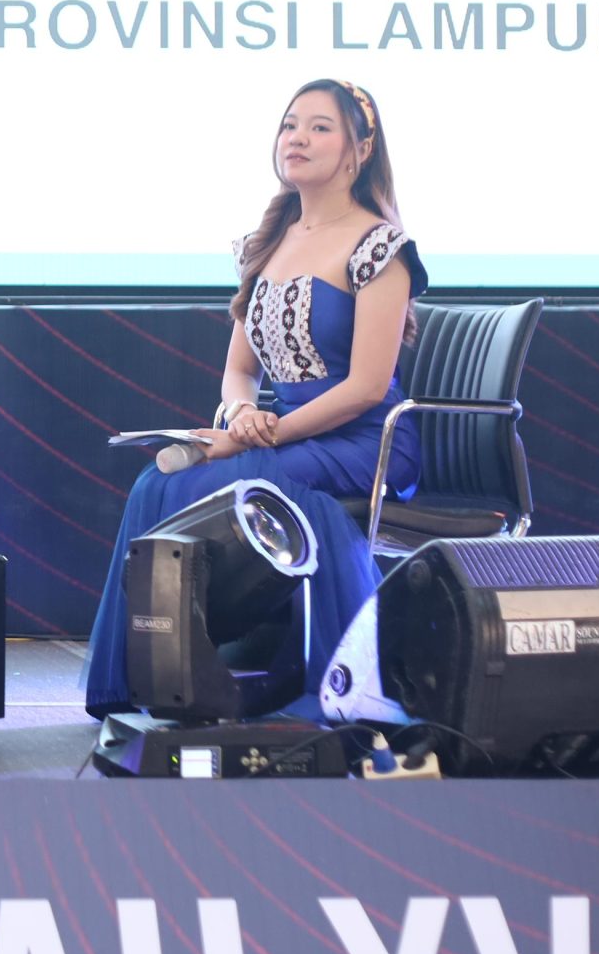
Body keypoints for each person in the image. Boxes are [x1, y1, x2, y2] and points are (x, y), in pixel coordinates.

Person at [86, 78, 427, 717]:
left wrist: (267, 433)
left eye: (320, 127)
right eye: (290, 124)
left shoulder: (380, 247)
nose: (298, 138)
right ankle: (145, 679)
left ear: (359, 151)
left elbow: (365, 389)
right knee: (156, 482)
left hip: (365, 441)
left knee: (246, 482)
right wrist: (243, 413)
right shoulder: (265, 243)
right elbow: (238, 371)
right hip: (283, 430)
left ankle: (329, 681)